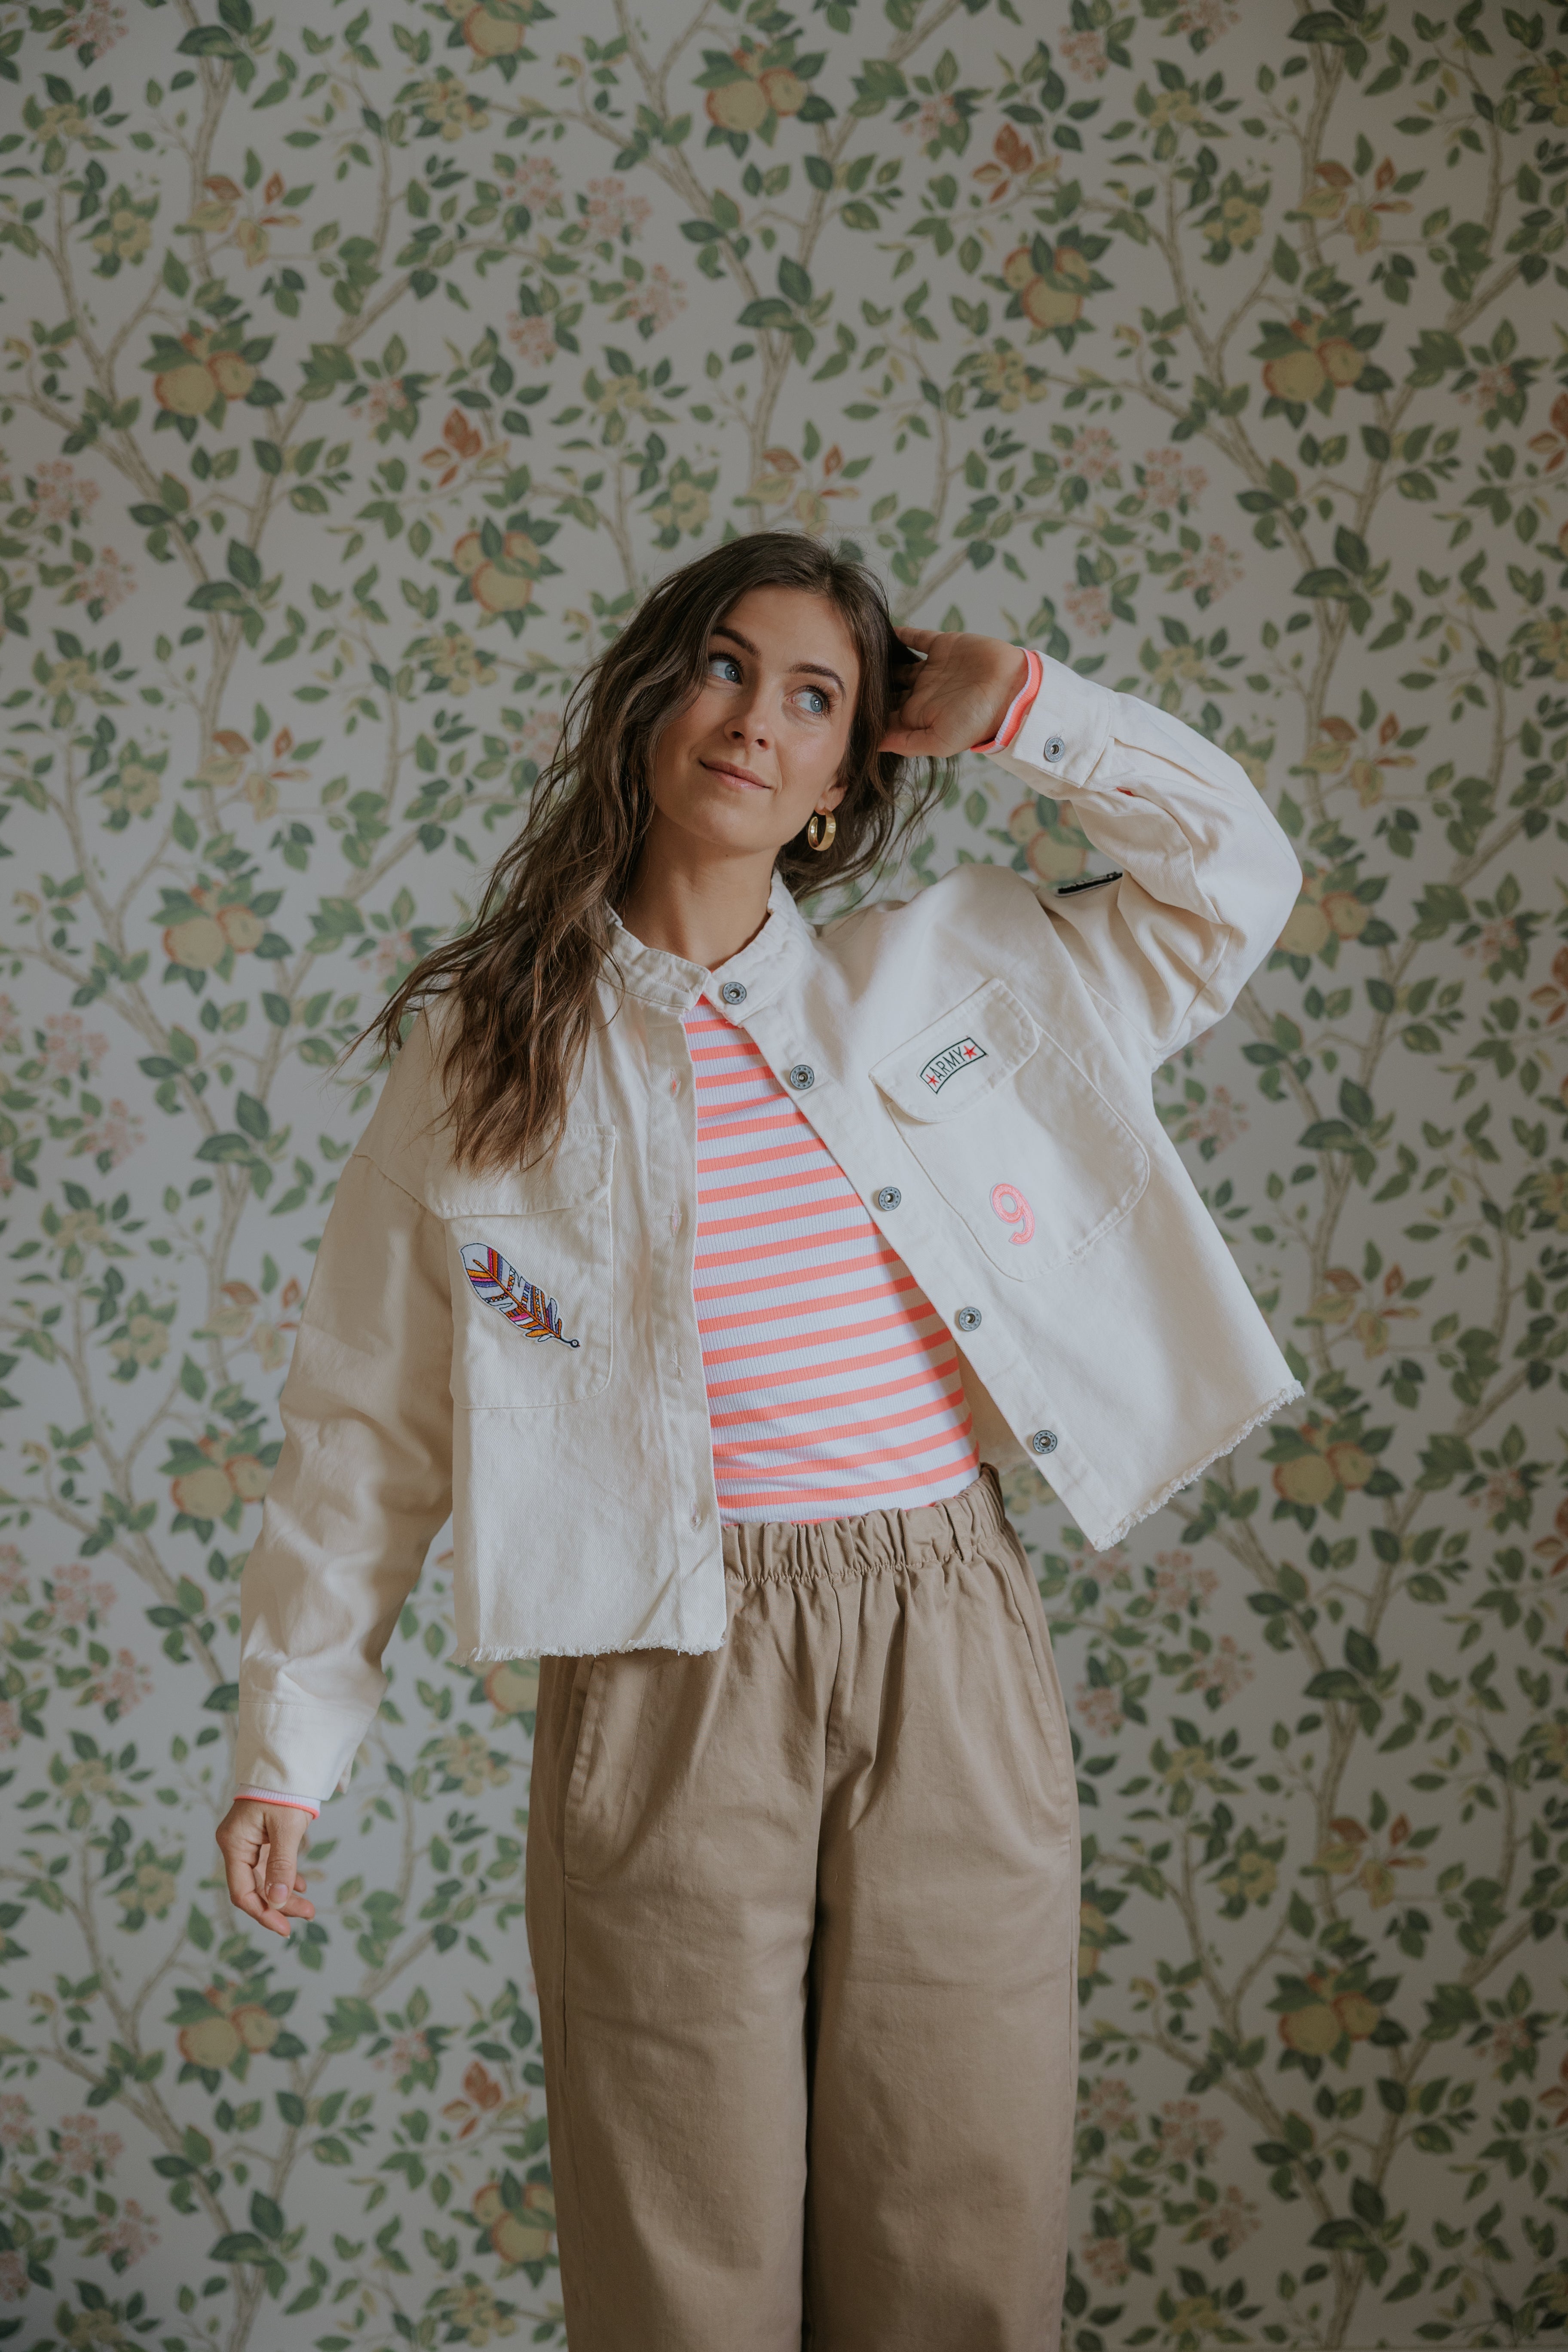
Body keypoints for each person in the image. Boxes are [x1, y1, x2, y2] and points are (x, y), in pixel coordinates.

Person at [215, 530, 1302, 2350]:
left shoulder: (961, 976)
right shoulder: (489, 1054)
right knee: (681, 2251)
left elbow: (1237, 876)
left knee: (961, 2204)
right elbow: (369, 1418)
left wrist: (1024, 709)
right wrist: (288, 1746)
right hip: (665, 1658)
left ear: (844, 773)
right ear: (651, 701)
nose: (758, 720)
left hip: (943, 1631)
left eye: (816, 697)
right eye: (725, 667)